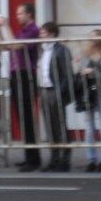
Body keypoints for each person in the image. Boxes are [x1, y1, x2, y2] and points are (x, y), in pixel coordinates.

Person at [0, 4, 43, 171]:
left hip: (26, 75)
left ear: (29, 14)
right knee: (22, 117)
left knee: (27, 118)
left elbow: (15, 45)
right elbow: (5, 46)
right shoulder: (22, 31)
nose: (18, 16)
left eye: (20, 13)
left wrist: (5, 25)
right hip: (16, 74)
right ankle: (29, 155)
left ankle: (34, 159)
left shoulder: (33, 30)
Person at [34, 22, 76, 173]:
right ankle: (54, 158)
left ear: (51, 33)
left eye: (43, 33)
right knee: (50, 126)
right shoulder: (42, 50)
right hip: (44, 90)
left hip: (55, 91)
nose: (40, 35)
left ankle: (64, 160)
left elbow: (67, 74)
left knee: (60, 126)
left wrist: (60, 92)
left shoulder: (61, 50)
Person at [80, 35, 101, 172]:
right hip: (90, 92)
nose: (92, 40)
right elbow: (82, 72)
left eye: (96, 37)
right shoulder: (86, 55)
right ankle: (91, 159)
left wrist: (94, 72)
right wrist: (85, 71)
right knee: (89, 128)